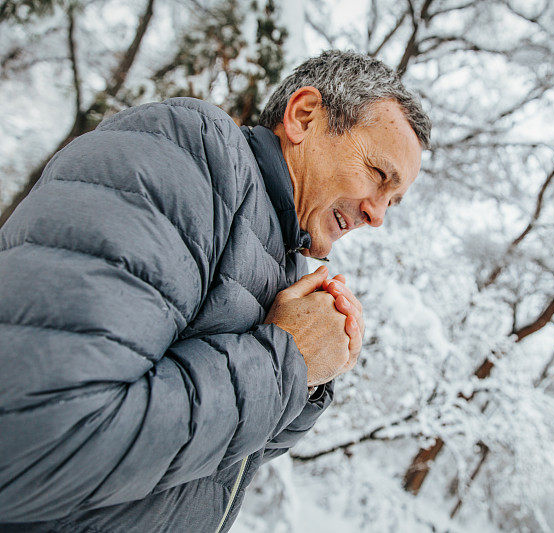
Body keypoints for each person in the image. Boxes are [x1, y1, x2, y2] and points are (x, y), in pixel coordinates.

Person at [0, 50, 431, 532]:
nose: (378, 216)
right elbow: (34, 438)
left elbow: (201, 465)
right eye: (378, 174)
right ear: (304, 116)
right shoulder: (188, 156)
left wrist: (306, 382)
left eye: (392, 201)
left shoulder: (278, 260)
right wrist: (287, 357)